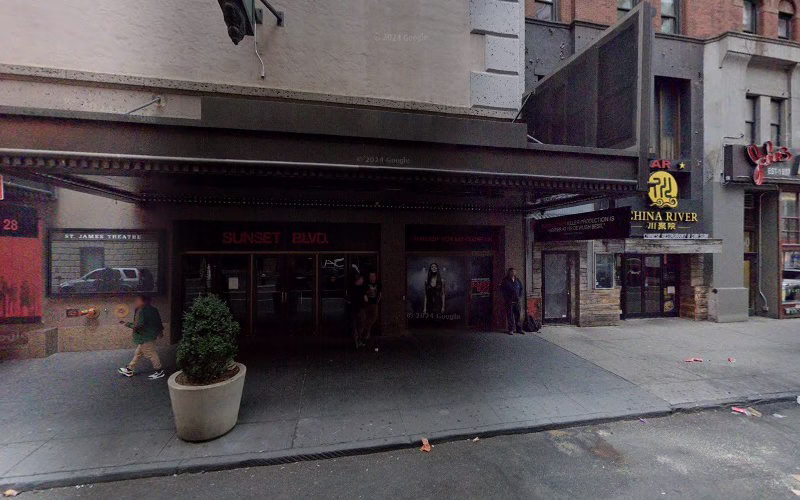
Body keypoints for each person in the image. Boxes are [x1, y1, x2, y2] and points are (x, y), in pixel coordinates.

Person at [118, 295, 165, 379]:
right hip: (150, 335)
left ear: (144, 301)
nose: (136, 302)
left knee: (151, 354)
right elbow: (158, 322)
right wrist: (160, 331)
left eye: (138, 300)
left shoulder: (142, 310)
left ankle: (159, 371)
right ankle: (129, 369)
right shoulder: (154, 309)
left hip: (144, 337)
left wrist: (126, 324)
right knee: (138, 353)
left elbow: (138, 325)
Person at [500, 267, 524, 335]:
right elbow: (502, 289)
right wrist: (506, 297)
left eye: (514, 272)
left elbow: (521, 288)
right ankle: (511, 329)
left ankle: (519, 329)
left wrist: (519, 296)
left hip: (517, 301)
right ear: (509, 272)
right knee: (510, 316)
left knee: (518, 315)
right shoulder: (505, 280)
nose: (513, 273)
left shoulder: (517, 280)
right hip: (509, 301)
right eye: (512, 272)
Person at [347, 273, 367, 349]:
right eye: (362, 279)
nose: (363, 280)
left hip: (353, 309)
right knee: (361, 325)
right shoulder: (362, 288)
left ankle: (356, 340)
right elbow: (366, 299)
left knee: (354, 325)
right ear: (359, 280)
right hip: (361, 308)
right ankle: (359, 340)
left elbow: (348, 300)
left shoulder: (351, 288)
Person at [362, 271, 382, 345]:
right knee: (366, 318)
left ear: (375, 277)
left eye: (373, 276)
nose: (372, 278)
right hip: (367, 304)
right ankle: (366, 334)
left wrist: (377, 301)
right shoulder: (366, 284)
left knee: (374, 317)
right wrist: (365, 299)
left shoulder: (378, 284)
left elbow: (380, 293)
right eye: (370, 276)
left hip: (374, 303)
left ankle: (366, 329)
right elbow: (364, 293)